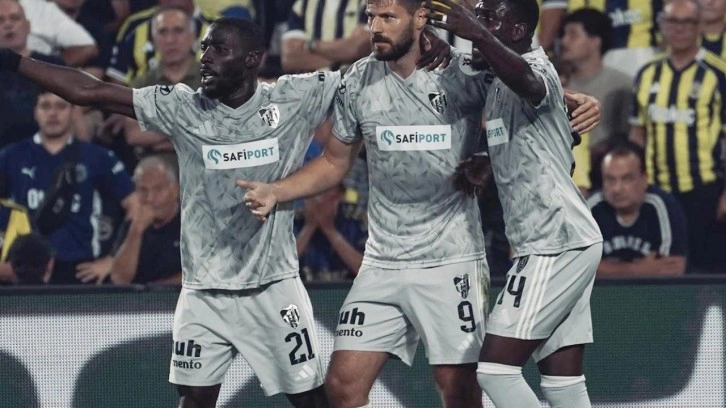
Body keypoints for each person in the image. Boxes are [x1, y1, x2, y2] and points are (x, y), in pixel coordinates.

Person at [0, 16, 451, 407]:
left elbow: (366, 72)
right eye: (204, 48)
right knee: (195, 399)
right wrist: (12, 61)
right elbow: (89, 91)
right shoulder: (181, 107)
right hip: (204, 291)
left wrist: (424, 40)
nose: (206, 58)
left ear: (253, 59)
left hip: (272, 288)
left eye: (219, 49)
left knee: (311, 399)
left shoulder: (293, 98)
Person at [239, 1, 600, 407]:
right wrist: (277, 191)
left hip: (451, 259)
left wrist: (576, 101)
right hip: (382, 261)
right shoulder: (357, 80)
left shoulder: (463, 72)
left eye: (388, 17)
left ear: (420, 19)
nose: (375, 27)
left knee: (460, 392)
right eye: (371, 17)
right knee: (341, 389)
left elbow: (527, 91)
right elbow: (334, 162)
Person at [428, 0, 604, 407]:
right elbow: (539, 143)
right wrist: (488, 160)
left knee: (496, 372)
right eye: (477, 16)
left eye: (489, 18)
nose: (478, 25)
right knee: (562, 382)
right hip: (561, 240)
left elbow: (530, 82)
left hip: (554, 242)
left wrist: (476, 32)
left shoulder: (536, 70)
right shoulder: (496, 80)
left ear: (518, 31)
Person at [0, 91, 136, 284]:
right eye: (46, 106)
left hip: (81, 269)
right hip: (25, 269)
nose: (53, 113)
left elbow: (136, 206)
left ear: (73, 111)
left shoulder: (97, 157)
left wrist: (112, 260)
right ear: (35, 111)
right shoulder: (12, 156)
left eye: (61, 106)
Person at [630, 0, 726, 274]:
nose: (680, 29)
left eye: (688, 22)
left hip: (706, 189)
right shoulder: (647, 74)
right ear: (662, 25)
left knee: (708, 272)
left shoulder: (718, 74)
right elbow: (638, 133)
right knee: (663, 268)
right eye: (673, 21)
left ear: (699, 26)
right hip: (657, 191)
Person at [76, 155, 182, 285]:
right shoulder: (132, 225)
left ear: (175, 189)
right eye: (143, 190)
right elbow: (119, 279)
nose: (150, 198)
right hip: (140, 297)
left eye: (158, 189)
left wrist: (156, 290)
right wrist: (136, 231)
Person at [589, 142, 687, 277]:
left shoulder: (662, 205)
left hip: (654, 290)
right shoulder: (591, 207)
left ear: (644, 179)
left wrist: (605, 268)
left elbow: (674, 268)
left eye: (627, 179)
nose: (617, 189)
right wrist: (639, 269)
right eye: (610, 180)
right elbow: (576, 268)